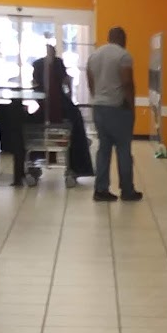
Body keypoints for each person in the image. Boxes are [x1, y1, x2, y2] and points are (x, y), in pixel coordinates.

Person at [86, 26, 142, 203]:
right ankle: (127, 190)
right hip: (118, 109)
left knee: (103, 149)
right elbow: (127, 83)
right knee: (123, 150)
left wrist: (97, 97)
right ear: (122, 38)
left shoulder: (94, 55)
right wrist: (131, 107)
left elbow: (90, 80)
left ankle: (101, 190)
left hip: (99, 108)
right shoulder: (123, 56)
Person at [29, 43, 93, 184]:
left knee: (32, 127)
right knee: (75, 124)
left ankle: (34, 159)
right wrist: (69, 95)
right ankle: (78, 165)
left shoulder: (39, 66)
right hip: (61, 108)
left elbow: (34, 85)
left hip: (44, 108)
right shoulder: (58, 64)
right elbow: (66, 81)